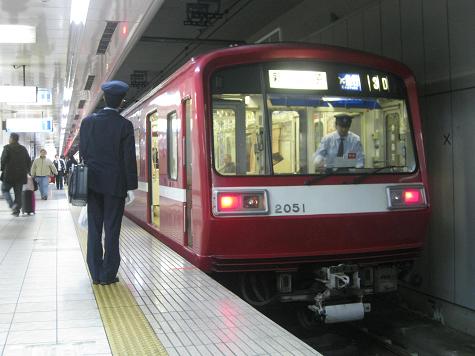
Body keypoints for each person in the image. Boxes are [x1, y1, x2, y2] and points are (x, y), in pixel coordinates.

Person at [80, 80, 138, 286]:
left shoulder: (87, 122)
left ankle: (95, 273)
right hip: (115, 186)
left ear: (104, 98)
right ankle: (108, 274)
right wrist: (131, 186)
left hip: (93, 184)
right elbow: (128, 158)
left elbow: (84, 154)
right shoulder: (124, 125)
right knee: (112, 229)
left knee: (94, 228)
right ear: (121, 101)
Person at [0, 133, 31, 216]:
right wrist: (27, 171)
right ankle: (16, 211)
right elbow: (28, 161)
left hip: (8, 175)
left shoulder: (7, 148)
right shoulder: (23, 149)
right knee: (18, 194)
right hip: (20, 176)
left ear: (11, 139)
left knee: (4, 189)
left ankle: (12, 205)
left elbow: (2, 161)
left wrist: (3, 169)